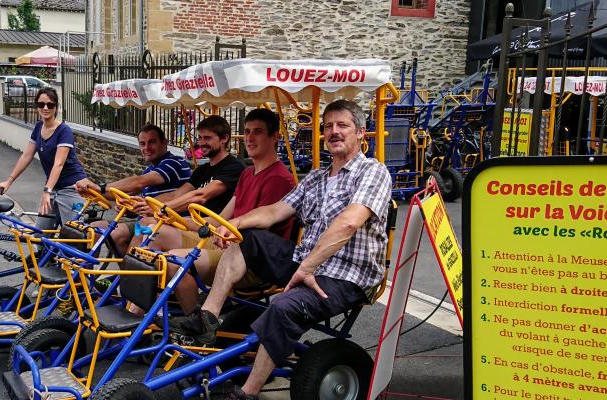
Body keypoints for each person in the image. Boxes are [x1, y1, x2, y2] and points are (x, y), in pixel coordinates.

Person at [171, 100, 393, 400]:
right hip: (306, 263)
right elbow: (274, 211)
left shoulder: (373, 172)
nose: (333, 132)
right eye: (328, 126)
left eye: (342, 125)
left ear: (361, 133)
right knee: (246, 237)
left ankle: (246, 393)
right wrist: (231, 224)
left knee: (282, 307)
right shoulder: (316, 177)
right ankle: (207, 318)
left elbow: (348, 224)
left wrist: (307, 267)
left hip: (346, 276)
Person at [151, 108, 295, 314]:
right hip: (225, 241)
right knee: (154, 232)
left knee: (172, 261)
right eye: (246, 132)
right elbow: (220, 219)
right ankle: (137, 316)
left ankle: (197, 326)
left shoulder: (280, 179)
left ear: (275, 137)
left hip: (250, 259)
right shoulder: (247, 173)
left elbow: (262, 228)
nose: (250, 138)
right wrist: (176, 221)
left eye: (258, 132)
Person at [73, 124, 192, 252]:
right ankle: (85, 267)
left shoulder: (174, 163)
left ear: (164, 143)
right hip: (146, 220)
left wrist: (100, 188)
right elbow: (124, 192)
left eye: (152, 142)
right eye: (142, 144)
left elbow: (139, 182)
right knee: (93, 229)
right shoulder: (150, 169)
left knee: (117, 235)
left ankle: (129, 269)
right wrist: (92, 192)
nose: (146, 148)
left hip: (166, 222)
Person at [0, 87, 88, 230]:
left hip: (71, 188)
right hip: (53, 188)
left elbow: (59, 164)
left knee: (72, 237)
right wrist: (9, 181)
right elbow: (27, 156)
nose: (45, 108)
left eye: (50, 105)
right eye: (41, 104)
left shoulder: (64, 131)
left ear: (56, 107)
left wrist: (46, 191)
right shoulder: (38, 127)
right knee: (40, 234)